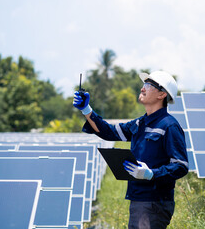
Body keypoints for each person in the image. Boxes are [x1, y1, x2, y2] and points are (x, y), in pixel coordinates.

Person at [73, 70, 188, 229]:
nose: (142, 88)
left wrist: (151, 174)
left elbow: (181, 166)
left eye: (148, 85)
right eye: (143, 84)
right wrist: (86, 109)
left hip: (154, 202)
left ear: (162, 94)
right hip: (139, 199)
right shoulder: (139, 124)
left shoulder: (169, 126)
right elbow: (109, 132)